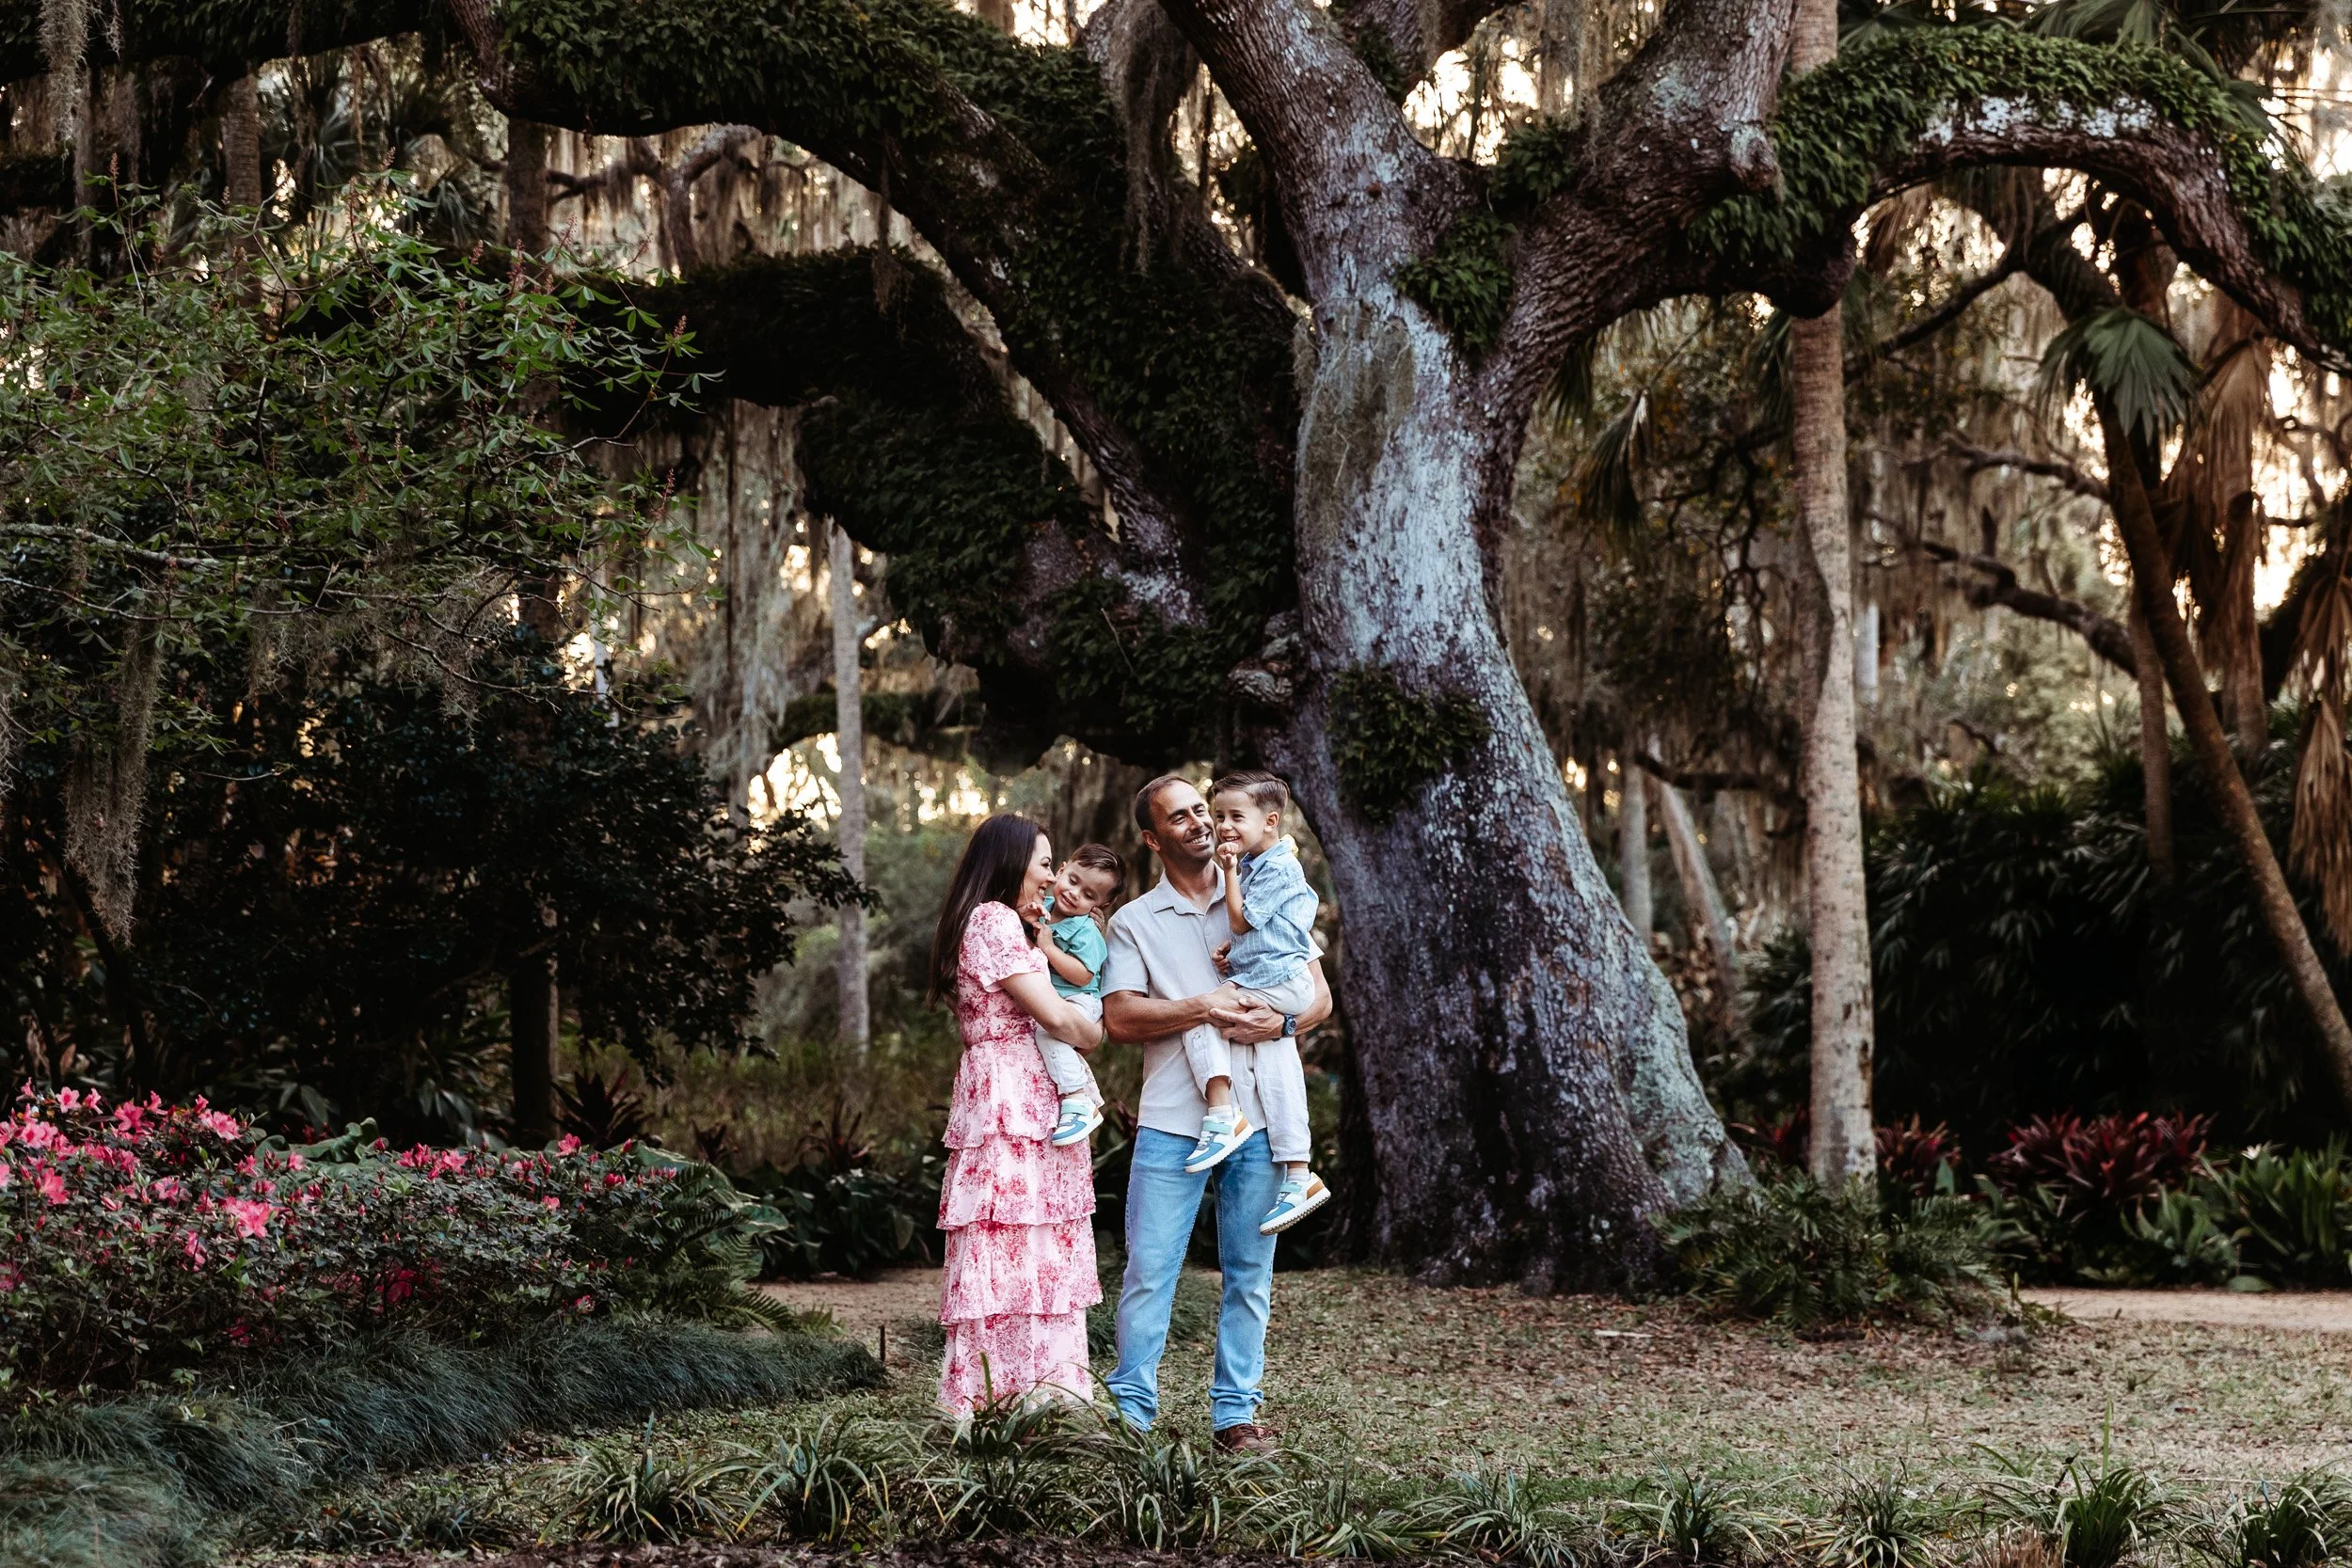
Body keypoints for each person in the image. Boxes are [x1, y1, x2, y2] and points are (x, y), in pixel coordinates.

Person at [1101, 774, 1333, 1453]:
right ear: (1153, 837)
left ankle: (1236, 1414)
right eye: (1180, 817)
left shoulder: (1267, 887)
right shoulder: (1135, 921)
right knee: (1150, 1269)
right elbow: (1117, 1017)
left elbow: (1317, 997)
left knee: (1249, 1275)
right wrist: (1203, 1006)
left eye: (1204, 809)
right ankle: (1131, 1410)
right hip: (1178, 1118)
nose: (1200, 823)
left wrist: (1280, 1020)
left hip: (1264, 1118)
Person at [930, 814, 1107, 1416]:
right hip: (1011, 1092)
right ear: (1010, 865)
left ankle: (1035, 1396)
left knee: (1032, 1244)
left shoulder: (1002, 925)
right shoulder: (995, 919)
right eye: (1045, 863)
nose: (1053, 878)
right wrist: (1091, 1030)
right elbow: (1060, 1020)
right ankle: (1007, 1398)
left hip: (1018, 1089)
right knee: (1012, 1242)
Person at [1178, 772, 1329, 1233]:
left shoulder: (1276, 867)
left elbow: (1242, 922)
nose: (1223, 826)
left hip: (1285, 985)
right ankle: (1299, 1174)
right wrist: (1233, 952)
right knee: (1277, 1062)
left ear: (1270, 821)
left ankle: (1223, 1116)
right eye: (1218, 815)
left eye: (1234, 817)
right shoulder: (1260, 865)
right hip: (1273, 977)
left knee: (1204, 1014)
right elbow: (1258, 936)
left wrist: (1226, 873)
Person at [1031, 844, 1125, 1149]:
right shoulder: (1040, 908)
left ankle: (1077, 1099)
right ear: (1060, 871)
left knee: (1049, 1033)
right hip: (1053, 1000)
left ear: (1101, 905)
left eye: (1088, 895)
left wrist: (1049, 949)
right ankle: (1089, 1098)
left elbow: (1083, 975)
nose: (1074, 894)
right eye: (1073, 881)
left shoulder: (1086, 931)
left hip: (1080, 1001)